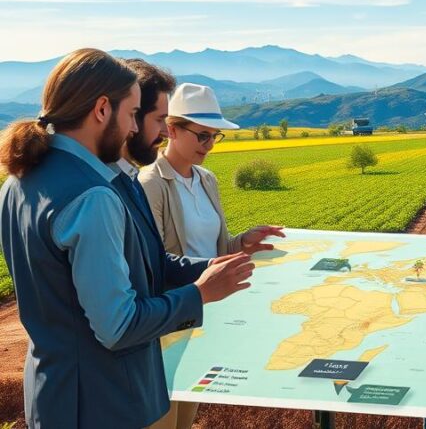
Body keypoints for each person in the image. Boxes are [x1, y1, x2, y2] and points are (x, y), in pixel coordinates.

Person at [0, 49, 256, 428]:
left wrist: (208, 269)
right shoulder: (94, 196)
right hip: (104, 403)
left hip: (55, 396)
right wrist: (199, 294)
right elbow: (117, 327)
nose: (136, 129)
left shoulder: (19, 180)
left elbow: (135, 267)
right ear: (102, 109)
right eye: (133, 114)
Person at [139, 82, 284, 429]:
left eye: (214, 137)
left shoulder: (207, 179)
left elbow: (213, 249)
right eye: (202, 136)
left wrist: (242, 243)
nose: (208, 145)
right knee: (164, 415)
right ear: (172, 129)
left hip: (208, 311)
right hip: (172, 316)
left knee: (187, 413)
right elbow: (153, 262)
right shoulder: (151, 184)